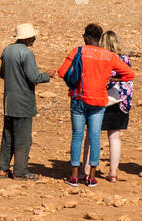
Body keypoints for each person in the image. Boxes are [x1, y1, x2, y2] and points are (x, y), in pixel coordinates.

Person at [57, 22, 134, 187]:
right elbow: (129, 74)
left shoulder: (78, 51)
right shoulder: (109, 56)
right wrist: (112, 79)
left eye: (84, 35)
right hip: (99, 101)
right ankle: (92, 176)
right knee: (94, 136)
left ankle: (75, 176)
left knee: (78, 135)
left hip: (79, 98)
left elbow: (62, 72)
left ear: (88, 37)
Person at [0, 22, 52, 180]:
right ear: (27, 38)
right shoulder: (27, 54)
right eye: (33, 37)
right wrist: (48, 75)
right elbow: (34, 77)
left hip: (9, 100)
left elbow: (2, 74)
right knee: (23, 138)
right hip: (23, 102)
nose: (34, 39)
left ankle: (2, 169)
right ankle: (20, 171)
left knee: (8, 135)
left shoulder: (7, 50)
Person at [100, 29, 133, 182]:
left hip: (103, 100)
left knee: (93, 135)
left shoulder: (102, 58)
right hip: (121, 102)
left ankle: (86, 170)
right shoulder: (125, 58)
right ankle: (113, 173)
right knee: (115, 137)